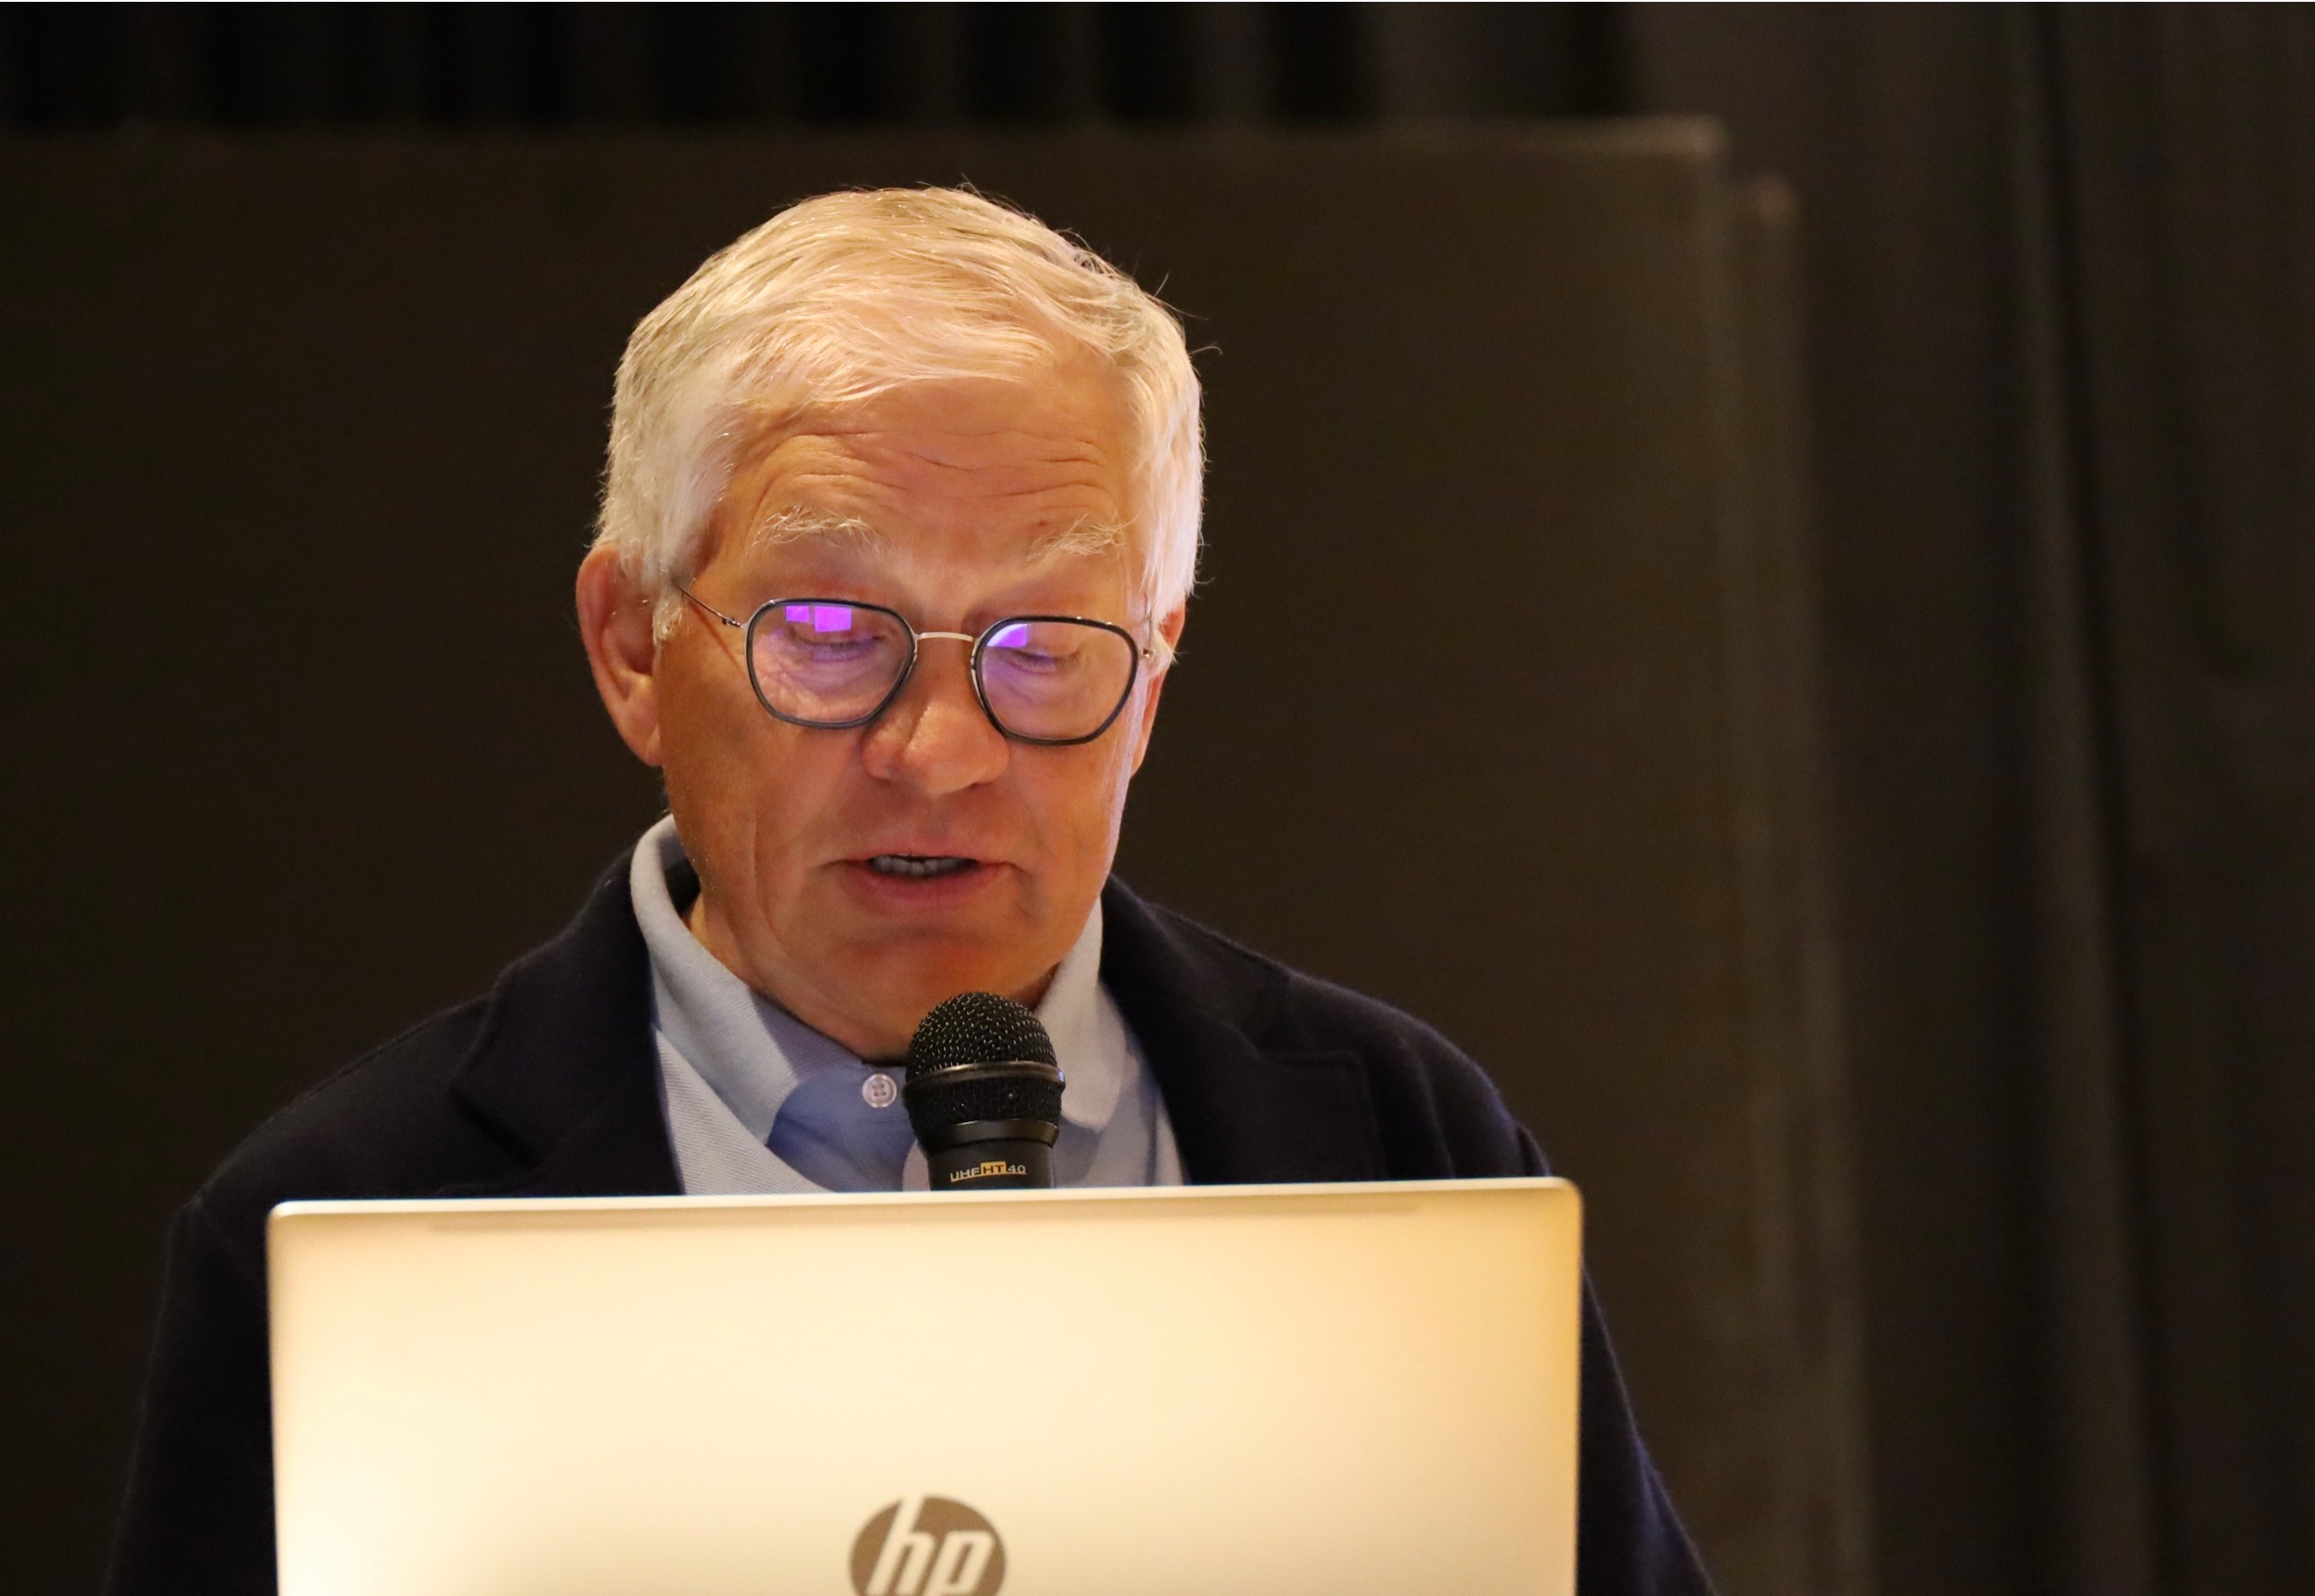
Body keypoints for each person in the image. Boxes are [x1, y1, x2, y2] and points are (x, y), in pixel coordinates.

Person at [104, 187, 1711, 1595]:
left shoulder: (1401, 1151)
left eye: (1046, 645)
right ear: (633, 647)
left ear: (1152, 681)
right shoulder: (348, 1224)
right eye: (827, 632)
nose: (940, 752)